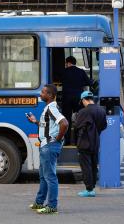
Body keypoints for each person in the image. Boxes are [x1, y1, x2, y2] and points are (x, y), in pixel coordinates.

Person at [27, 84, 68, 214]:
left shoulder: (51, 108)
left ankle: (52, 206)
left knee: (50, 177)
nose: (41, 94)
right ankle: (39, 203)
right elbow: (47, 126)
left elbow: (64, 124)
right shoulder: (49, 108)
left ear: (50, 95)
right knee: (44, 177)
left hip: (49, 146)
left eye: (43, 92)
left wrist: (57, 139)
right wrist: (35, 122)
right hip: (46, 145)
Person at [74, 91, 107, 197]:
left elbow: (77, 127)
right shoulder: (101, 110)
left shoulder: (83, 112)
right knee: (93, 164)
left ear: (84, 100)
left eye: (82, 101)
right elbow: (103, 126)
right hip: (95, 141)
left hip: (84, 142)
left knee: (86, 166)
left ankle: (89, 189)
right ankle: (92, 187)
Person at [61, 56, 91, 145]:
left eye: (66, 63)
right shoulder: (81, 71)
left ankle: (67, 141)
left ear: (68, 63)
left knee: (67, 119)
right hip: (78, 98)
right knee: (79, 118)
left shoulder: (64, 71)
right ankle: (79, 139)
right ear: (74, 63)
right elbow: (89, 82)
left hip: (66, 98)